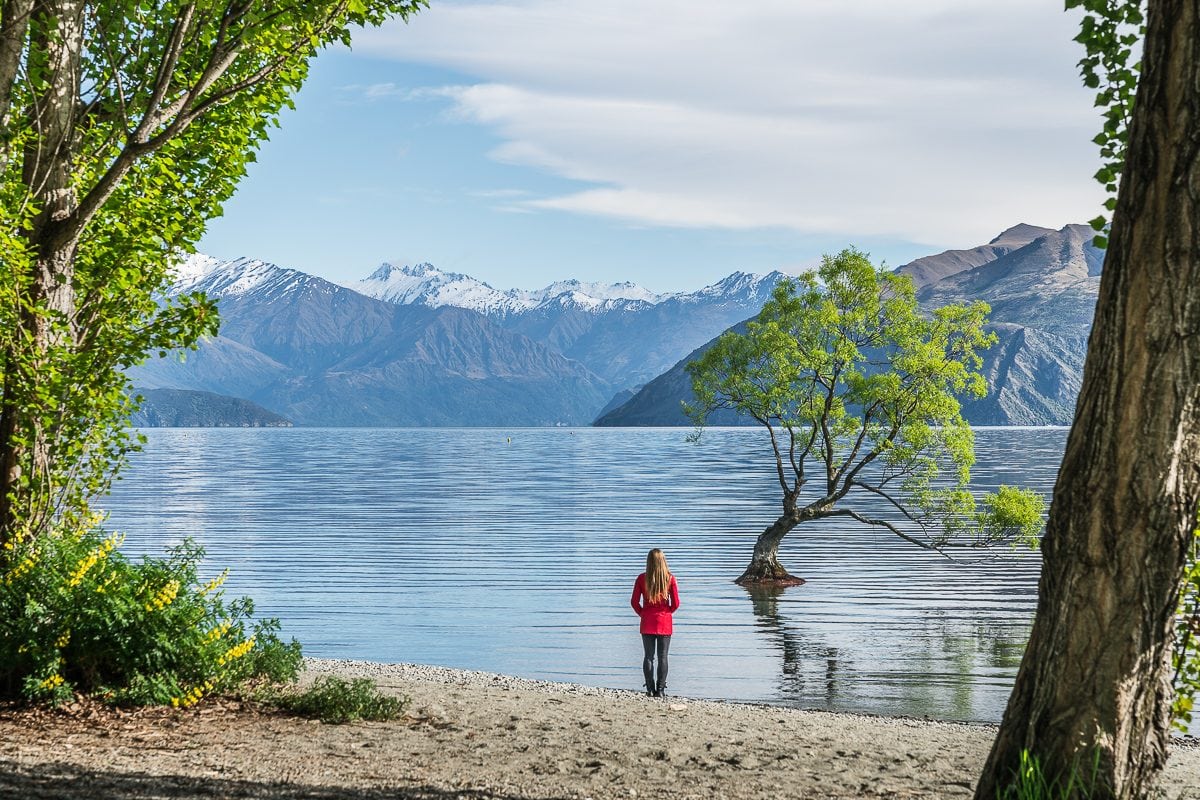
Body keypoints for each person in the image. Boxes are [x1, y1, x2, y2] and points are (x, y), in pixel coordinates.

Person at [630, 548, 680, 697]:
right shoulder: (670, 578)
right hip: (664, 621)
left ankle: (650, 688)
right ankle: (661, 690)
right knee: (663, 656)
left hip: (647, 621)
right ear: (663, 561)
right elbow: (676, 603)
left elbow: (634, 602)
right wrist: (666, 613)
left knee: (648, 656)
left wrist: (643, 614)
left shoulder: (641, 578)